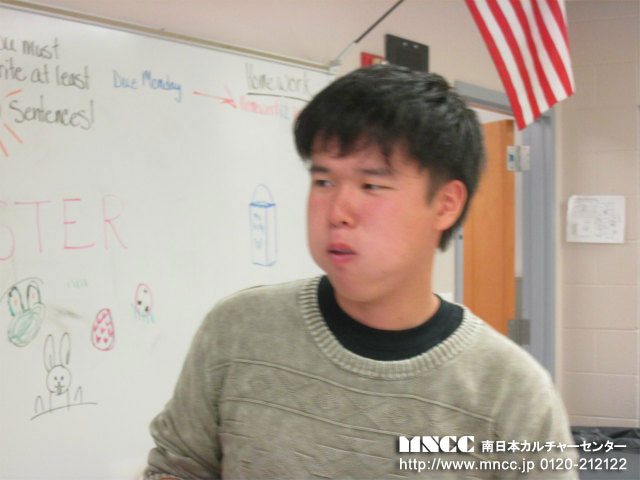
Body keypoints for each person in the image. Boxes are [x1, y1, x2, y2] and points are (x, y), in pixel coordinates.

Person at [145, 65, 576, 479]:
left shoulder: (510, 392)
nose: (338, 211)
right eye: (324, 181)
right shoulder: (237, 330)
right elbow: (178, 466)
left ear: (446, 204)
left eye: (371, 185)